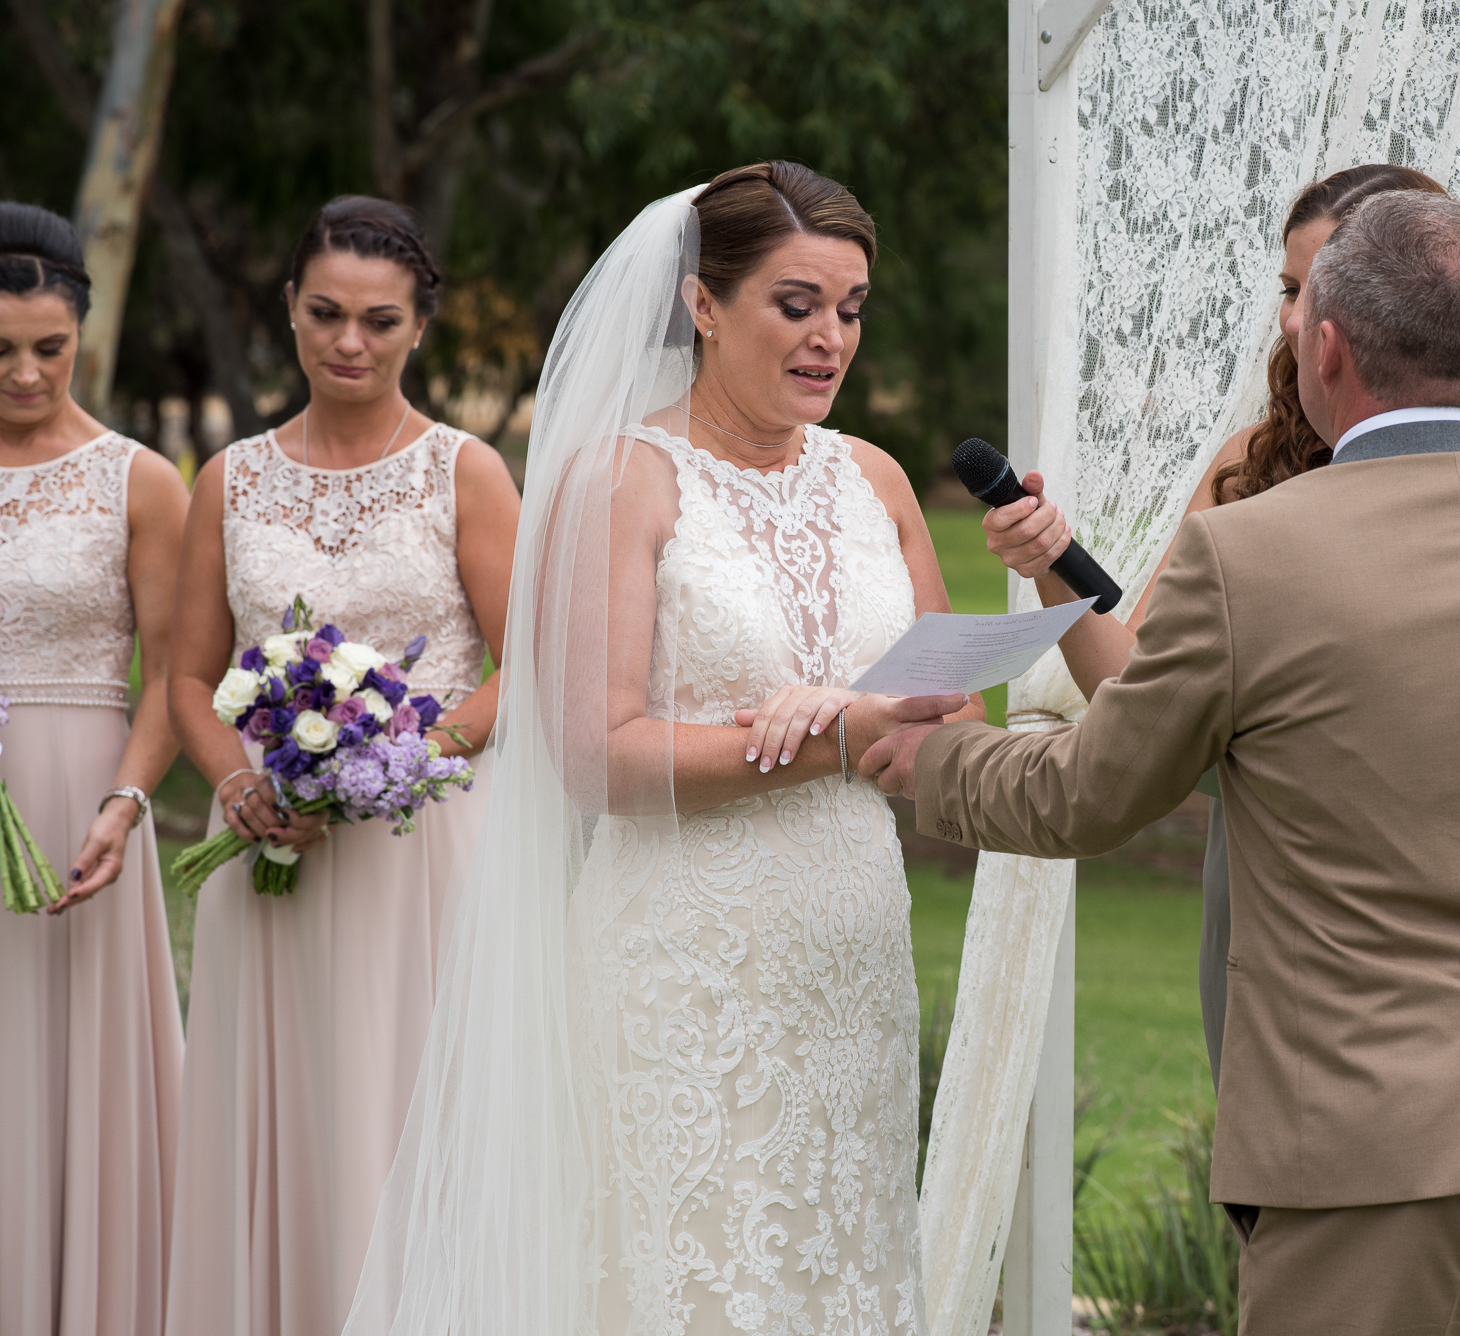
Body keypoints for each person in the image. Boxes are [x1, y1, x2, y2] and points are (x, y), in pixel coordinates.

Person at [866, 190, 1460, 1333]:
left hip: (1361, 1158)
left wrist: (934, 757)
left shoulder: (1249, 554)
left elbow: (1096, 789)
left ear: (1323, 345)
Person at [342, 162, 973, 1336]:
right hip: (687, 969)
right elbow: (594, 752)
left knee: (838, 1265)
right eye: (794, 303)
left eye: (849, 308)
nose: (828, 336)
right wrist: (823, 738)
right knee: (695, 1279)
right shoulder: (623, 478)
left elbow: (947, 721)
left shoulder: (876, 479)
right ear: (701, 305)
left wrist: (876, 716)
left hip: (852, 963)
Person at [984, 164, 1460, 1085]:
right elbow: (1134, 689)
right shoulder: (1251, 464)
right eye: (1288, 289)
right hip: (1268, 892)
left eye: (1314, 291)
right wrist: (1053, 565)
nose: (1293, 319)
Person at [164, 196, 520, 1336]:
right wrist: (240, 780)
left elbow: (529, 670)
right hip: (271, 854)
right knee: (286, 1123)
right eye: (324, 314)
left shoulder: (463, 472)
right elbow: (184, 678)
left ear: (421, 326)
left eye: (377, 320)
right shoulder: (228, 480)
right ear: (290, 310)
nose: (348, 343)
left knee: (403, 1112)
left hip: (426, 857)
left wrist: (404, 757)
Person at [0, 201, 188, 1336]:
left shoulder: (140, 481)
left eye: (47, 347)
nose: (24, 371)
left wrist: (125, 804)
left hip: (80, 797)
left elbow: (170, 671)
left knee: (72, 1071)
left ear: (82, 332)